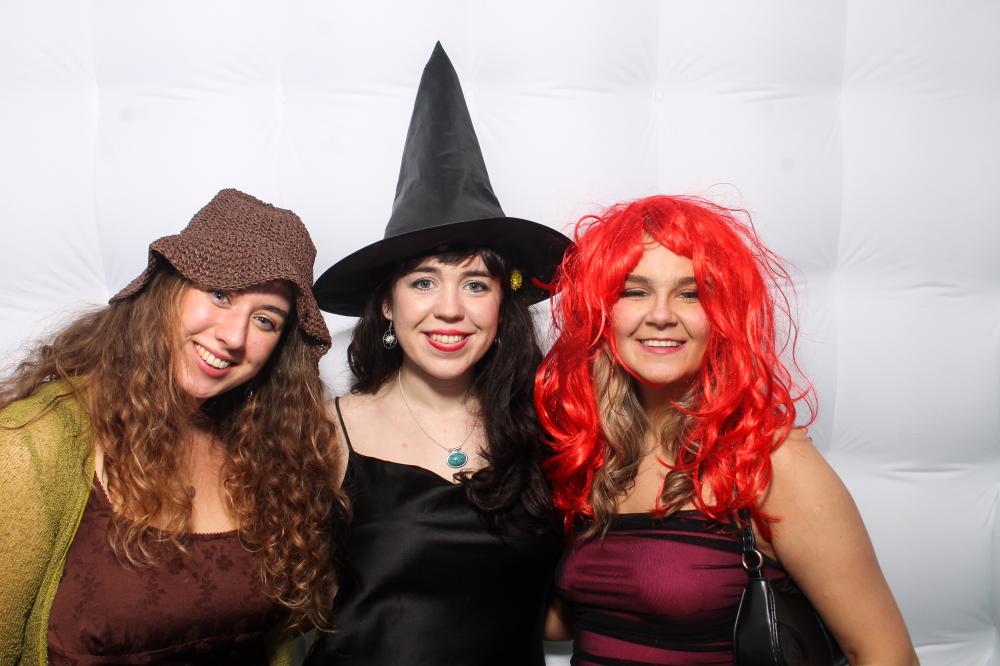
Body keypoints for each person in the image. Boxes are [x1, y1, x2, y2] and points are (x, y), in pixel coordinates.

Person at [536, 195, 918, 665]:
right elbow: (565, 620)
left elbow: (887, 654)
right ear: (601, 312)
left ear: (723, 314)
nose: (661, 314)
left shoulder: (769, 459)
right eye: (634, 292)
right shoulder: (593, 455)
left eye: (691, 293)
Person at [0, 188, 349, 665]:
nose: (233, 336)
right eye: (220, 294)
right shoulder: (31, 445)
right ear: (167, 287)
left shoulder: (266, 452)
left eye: (266, 320)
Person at [304, 43, 570, 665]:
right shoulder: (324, 431)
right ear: (387, 304)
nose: (449, 309)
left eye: (475, 284)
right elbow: (286, 598)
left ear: (502, 305)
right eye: (423, 282)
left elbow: (565, 610)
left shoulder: (553, 432)